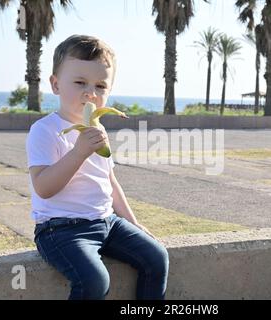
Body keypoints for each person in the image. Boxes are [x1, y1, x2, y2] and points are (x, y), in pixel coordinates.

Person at [26, 34, 169, 300]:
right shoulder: (45, 130)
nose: (90, 93)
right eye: (80, 82)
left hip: (106, 222)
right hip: (60, 229)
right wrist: (79, 152)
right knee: (94, 280)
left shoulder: (98, 129)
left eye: (100, 86)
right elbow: (43, 187)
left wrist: (134, 223)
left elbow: (110, 182)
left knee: (157, 257)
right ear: (56, 85)